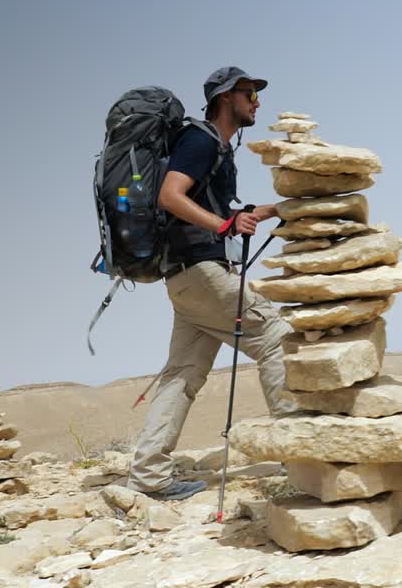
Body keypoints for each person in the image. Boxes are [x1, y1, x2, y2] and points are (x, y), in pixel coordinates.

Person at [125, 66, 294, 501]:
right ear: (224, 97)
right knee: (276, 335)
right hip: (203, 273)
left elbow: (219, 209)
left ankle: (148, 478)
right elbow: (169, 195)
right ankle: (301, 459)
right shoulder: (200, 140)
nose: (257, 100)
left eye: (258, 91)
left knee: (182, 376)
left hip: (185, 279)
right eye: (249, 92)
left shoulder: (217, 148)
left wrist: (269, 210)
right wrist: (223, 226)